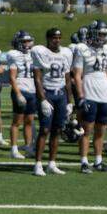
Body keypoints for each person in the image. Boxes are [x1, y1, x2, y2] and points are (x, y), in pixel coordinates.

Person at [72, 20, 107, 173]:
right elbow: (77, 75)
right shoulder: (82, 49)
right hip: (89, 91)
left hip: (104, 95)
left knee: (100, 131)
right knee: (86, 130)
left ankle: (98, 161)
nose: (104, 37)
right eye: (101, 34)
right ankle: (84, 162)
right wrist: (81, 96)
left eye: (105, 34)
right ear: (93, 33)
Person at [31, 28, 73, 175]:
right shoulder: (40, 52)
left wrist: (70, 101)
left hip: (61, 95)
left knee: (57, 130)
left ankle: (51, 163)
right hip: (47, 93)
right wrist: (42, 99)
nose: (57, 40)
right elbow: (37, 78)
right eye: (54, 37)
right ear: (48, 38)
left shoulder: (66, 53)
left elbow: (68, 80)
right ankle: (37, 164)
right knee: (45, 130)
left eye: (59, 37)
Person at [5, 31, 37, 159]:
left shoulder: (33, 54)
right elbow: (12, 77)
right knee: (17, 121)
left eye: (28, 41)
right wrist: (18, 94)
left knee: (29, 121)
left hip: (33, 90)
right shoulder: (14, 55)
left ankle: (28, 147)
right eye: (24, 41)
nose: (27, 44)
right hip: (21, 89)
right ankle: (13, 149)